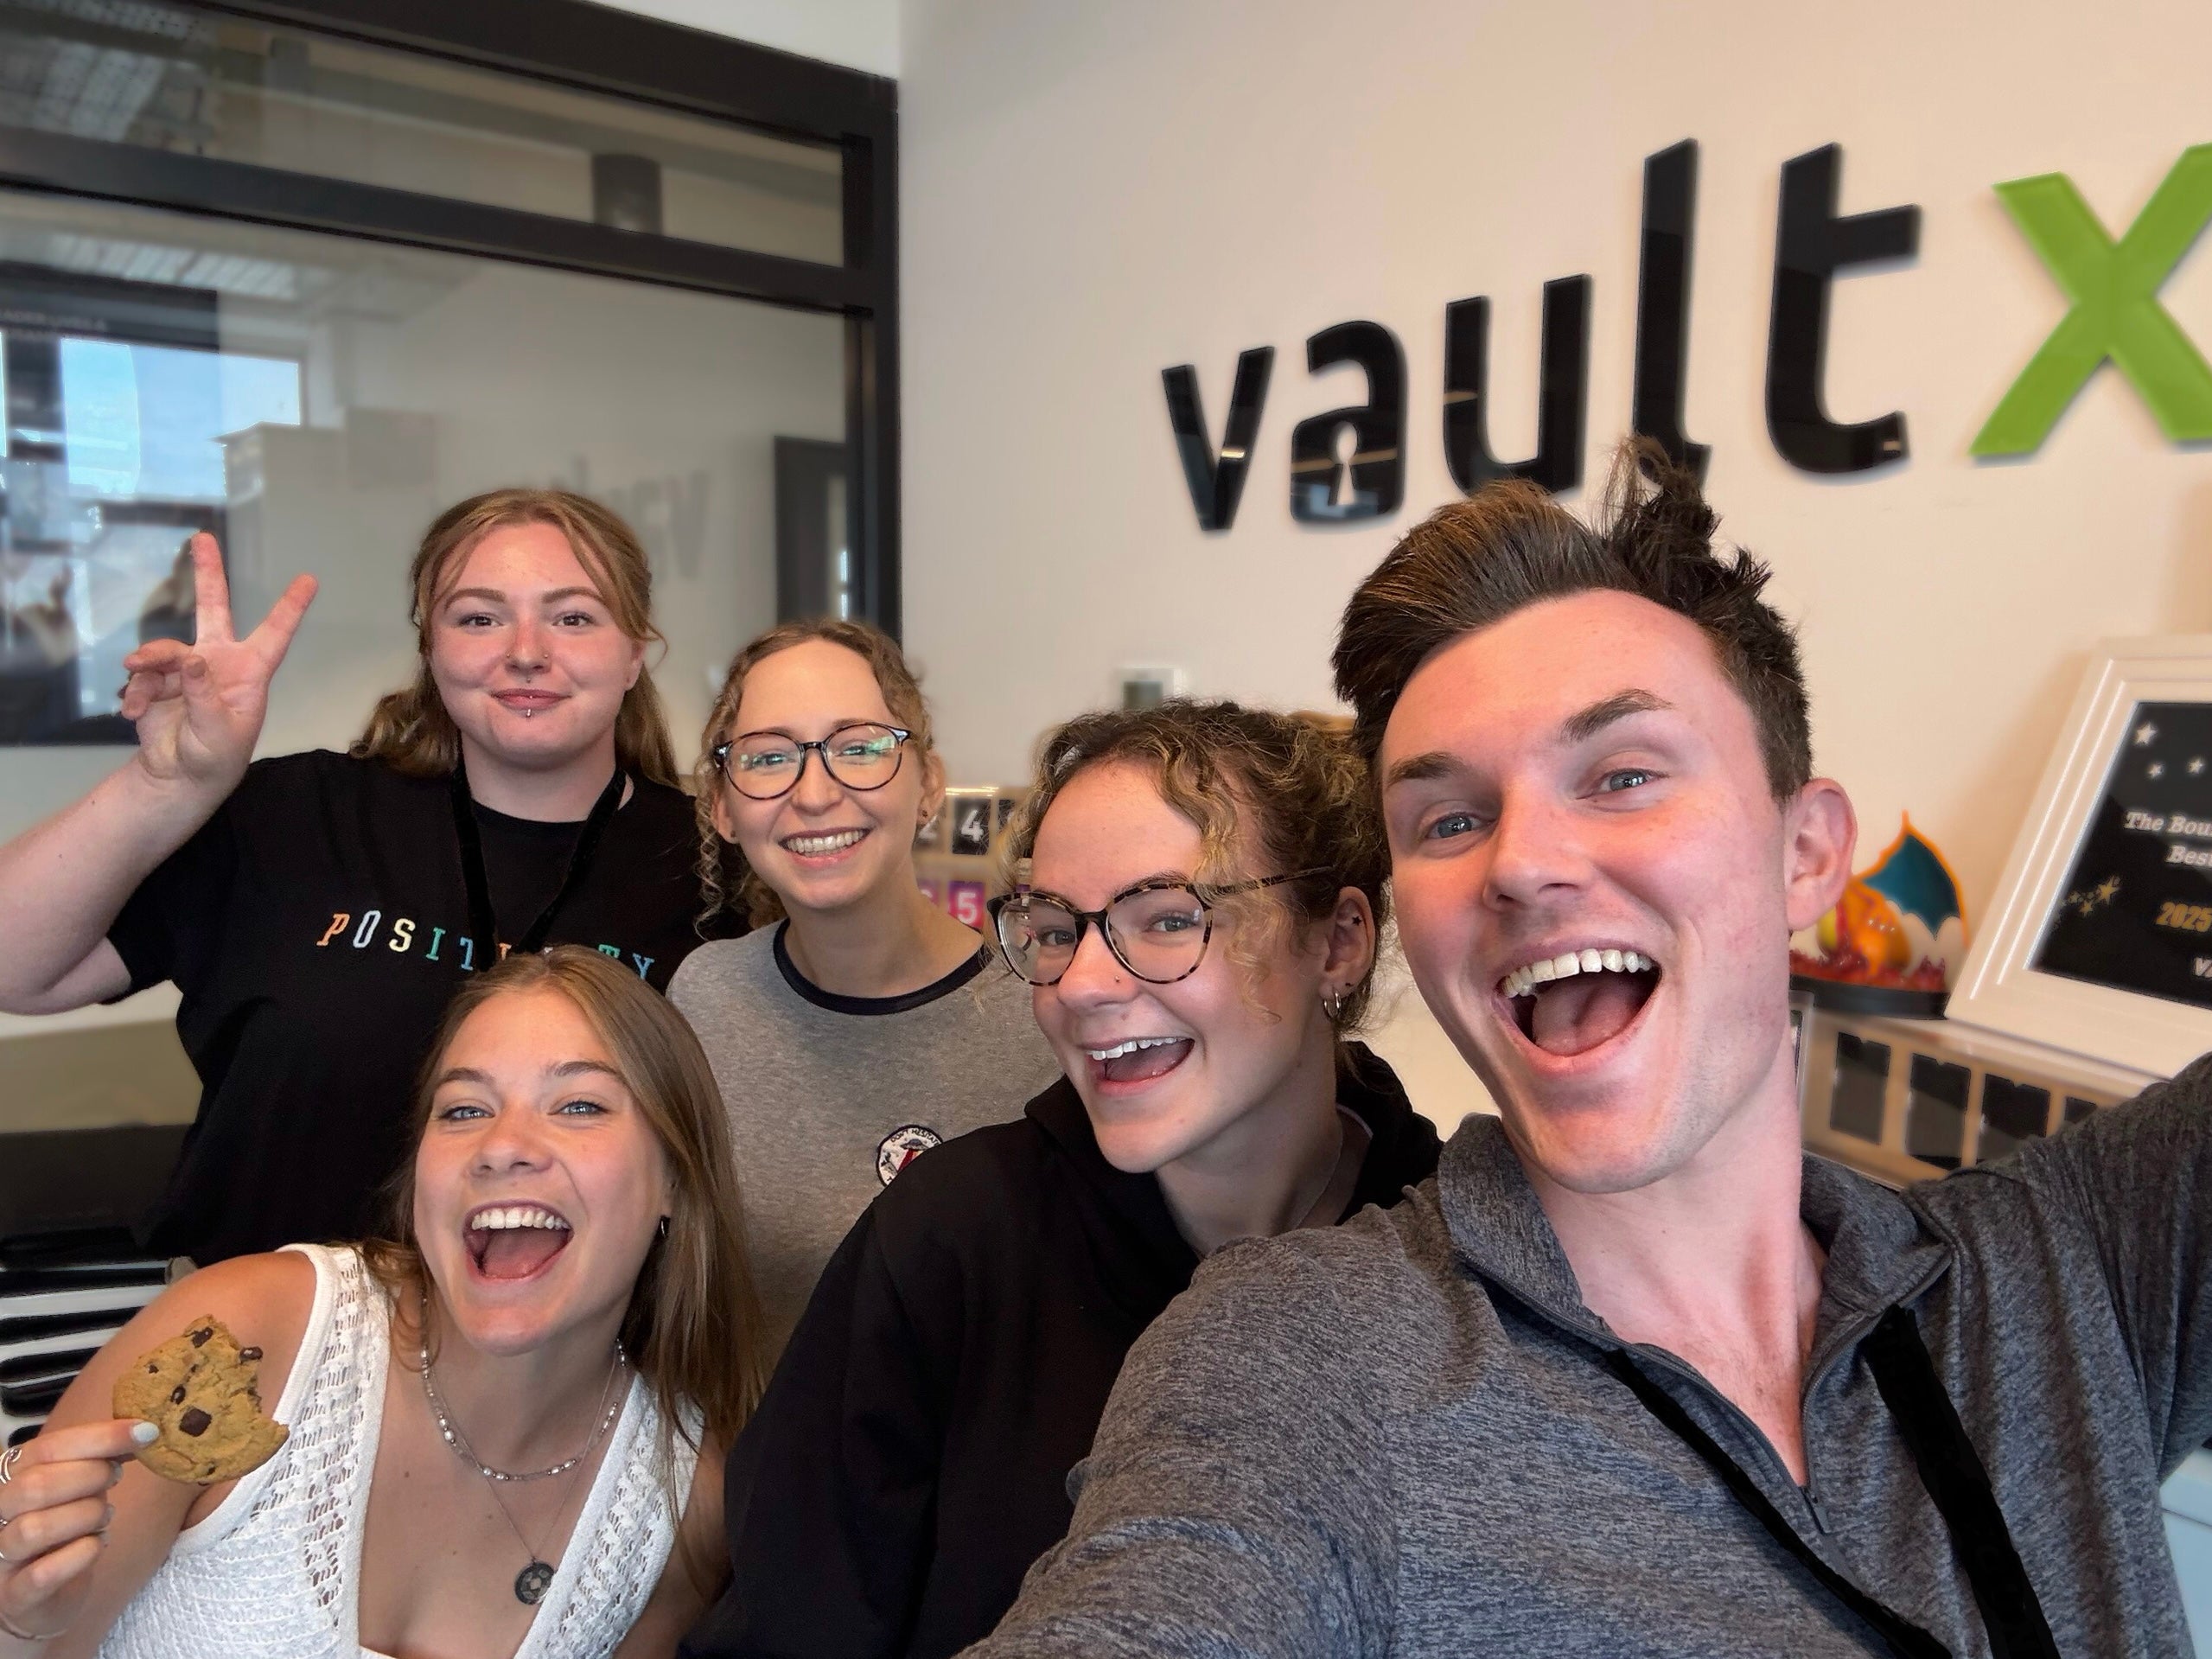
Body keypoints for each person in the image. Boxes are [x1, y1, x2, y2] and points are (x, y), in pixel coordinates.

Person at [970, 446, 2212, 1657]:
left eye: (1619, 772)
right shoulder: (1304, 1365)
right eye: (1449, 816)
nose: (1517, 860)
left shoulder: (2065, 1269)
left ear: (1805, 850)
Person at [683, 700, 1442, 1659]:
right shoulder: (950, 1241)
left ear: (1337, 940)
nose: (1080, 983)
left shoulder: (1456, 1270)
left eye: (1168, 917)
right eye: (1052, 928)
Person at [0, 491, 733, 1262]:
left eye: (573, 617)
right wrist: (166, 781)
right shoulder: (293, 817)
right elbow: (19, 971)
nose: (525, 650)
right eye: (478, 617)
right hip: (257, 1345)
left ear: (635, 653)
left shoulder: (715, 872)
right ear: (430, 648)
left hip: (572, 1362)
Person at [0, 946, 765, 1659]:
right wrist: (17, 1626)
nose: (502, 1145)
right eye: (463, 1109)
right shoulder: (244, 1342)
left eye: (579, 1105)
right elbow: (34, 1625)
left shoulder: (683, 1509)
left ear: (675, 1178)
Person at [668, 619, 1059, 1351]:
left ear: (928, 785)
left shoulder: (1039, 1011)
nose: (814, 793)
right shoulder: (704, 999)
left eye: (858, 748)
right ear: (722, 805)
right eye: (768, 757)